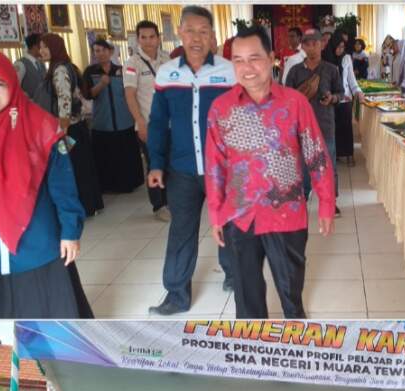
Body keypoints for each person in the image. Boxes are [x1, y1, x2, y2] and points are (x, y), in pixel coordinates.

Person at [205, 26, 336, 319]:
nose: (246, 68)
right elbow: (215, 166)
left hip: (286, 214)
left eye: (254, 58)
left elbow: (316, 155)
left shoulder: (294, 102)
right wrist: (215, 213)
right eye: (238, 60)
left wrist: (327, 203)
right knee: (246, 299)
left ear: (271, 58)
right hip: (239, 216)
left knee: (291, 294)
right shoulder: (220, 108)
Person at [0, 51, 91, 319]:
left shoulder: (43, 126)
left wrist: (70, 231)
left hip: (36, 242)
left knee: (46, 319)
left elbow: (63, 186)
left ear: (12, 83)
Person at [147, 5, 236, 316]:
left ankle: (234, 274)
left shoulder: (229, 71)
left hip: (222, 169)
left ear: (212, 35)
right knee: (181, 231)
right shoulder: (167, 73)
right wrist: (155, 163)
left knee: (229, 225)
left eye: (203, 31)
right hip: (181, 170)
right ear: (180, 33)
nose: (196, 38)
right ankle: (176, 295)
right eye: (190, 31)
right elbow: (158, 122)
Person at [38, 34, 104, 217]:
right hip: (76, 125)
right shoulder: (67, 66)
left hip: (68, 128)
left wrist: (63, 129)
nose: (42, 51)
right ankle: (92, 204)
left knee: (73, 167)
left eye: (45, 47)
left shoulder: (59, 70)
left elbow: (64, 100)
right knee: (82, 164)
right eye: (41, 47)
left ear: (55, 47)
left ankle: (85, 206)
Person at [286, 28, 343, 216]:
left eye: (315, 44)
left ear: (322, 45)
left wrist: (332, 98)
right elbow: (286, 99)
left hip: (325, 125)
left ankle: (330, 202)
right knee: (302, 167)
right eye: (307, 44)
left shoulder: (331, 69)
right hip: (302, 128)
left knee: (329, 167)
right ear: (302, 46)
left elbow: (341, 93)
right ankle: (302, 197)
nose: (311, 48)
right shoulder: (295, 71)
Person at [123, 21, 172, 222]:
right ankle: (159, 205)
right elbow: (129, 95)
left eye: (152, 37)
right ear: (138, 39)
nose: (148, 41)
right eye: (143, 37)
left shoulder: (167, 59)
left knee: (170, 163)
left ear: (158, 38)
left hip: (170, 123)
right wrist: (140, 122)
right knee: (154, 164)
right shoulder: (132, 64)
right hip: (148, 125)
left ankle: (171, 201)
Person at [82, 39, 144, 195]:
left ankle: (129, 184)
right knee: (105, 157)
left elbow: (133, 92)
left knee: (126, 155)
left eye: (103, 50)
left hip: (124, 121)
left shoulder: (122, 70)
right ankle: (108, 186)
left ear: (110, 52)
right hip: (103, 122)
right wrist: (101, 84)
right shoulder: (90, 72)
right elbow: (87, 95)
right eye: (97, 51)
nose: (100, 54)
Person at [323, 32, 363, 166]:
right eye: (338, 47)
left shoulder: (346, 58)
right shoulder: (325, 58)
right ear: (333, 45)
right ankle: (336, 154)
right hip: (331, 99)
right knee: (333, 128)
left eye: (343, 47)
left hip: (345, 99)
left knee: (346, 128)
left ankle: (349, 154)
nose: (341, 50)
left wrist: (357, 91)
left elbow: (351, 79)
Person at [14, 33, 46, 101]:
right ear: (35, 47)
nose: (44, 49)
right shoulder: (21, 64)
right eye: (42, 46)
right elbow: (14, 87)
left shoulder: (41, 63)